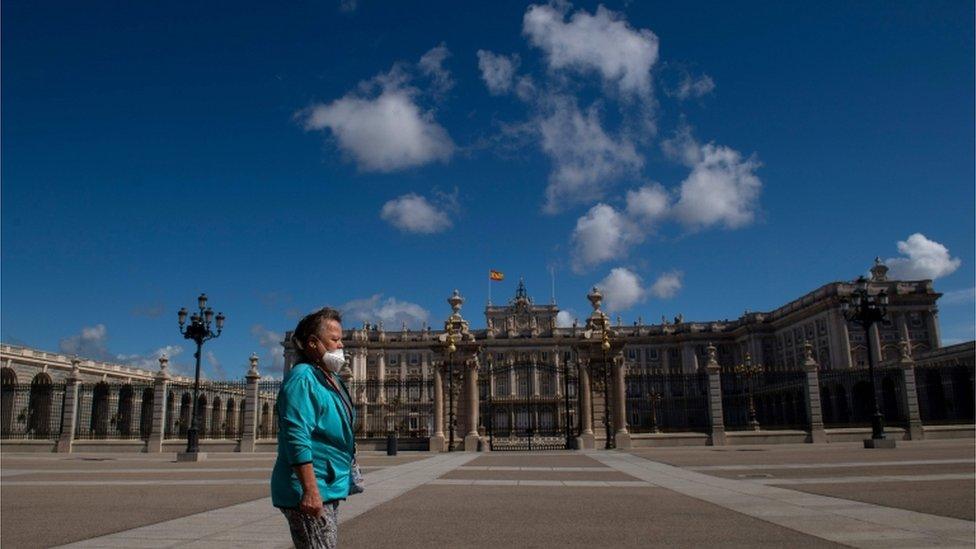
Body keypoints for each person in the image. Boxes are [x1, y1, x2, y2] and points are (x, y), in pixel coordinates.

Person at [272, 307, 355, 549]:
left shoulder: (326, 377)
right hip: (310, 488)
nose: (340, 346)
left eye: (341, 340)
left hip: (326, 485)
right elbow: (296, 436)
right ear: (312, 343)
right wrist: (310, 490)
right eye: (335, 340)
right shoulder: (302, 378)